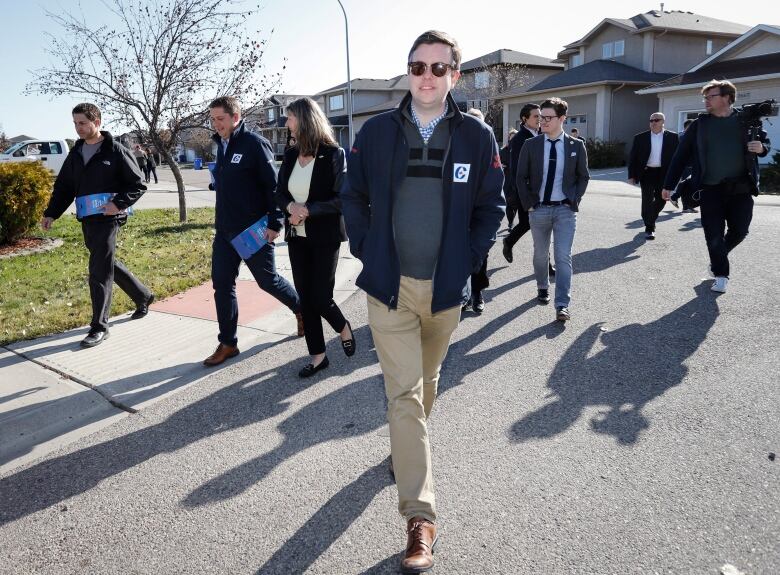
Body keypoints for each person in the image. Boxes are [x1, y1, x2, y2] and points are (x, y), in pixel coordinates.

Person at [342, 30, 504, 573]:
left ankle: (405, 449)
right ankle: (421, 515)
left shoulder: (478, 137)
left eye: (439, 68)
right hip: (389, 288)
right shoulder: (376, 132)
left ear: (455, 75)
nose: (427, 76)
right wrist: (365, 246)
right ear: (406, 72)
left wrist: (468, 259)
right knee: (405, 395)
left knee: (428, 383)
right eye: (417, 66)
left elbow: (491, 206)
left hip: (445, 290)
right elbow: (354, 194)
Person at [41, 103, 154, 348]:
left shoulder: (115, 150)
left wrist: (118, 204)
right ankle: (142, 295)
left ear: (97, 122)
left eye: (82, 123)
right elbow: (64, 188)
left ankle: (99, 326)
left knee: (99, 270)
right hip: (88, 219)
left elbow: (137, 184)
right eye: (75, 123)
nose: (78, 128)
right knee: (105, 261)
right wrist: (51, 214)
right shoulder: (76, 152)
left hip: (109, 217)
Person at [204, 96, 302, 366]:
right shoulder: (220, 145)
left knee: (267, 280)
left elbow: (274, 188)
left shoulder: (255, 144)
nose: (216, 124)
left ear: (236, 117)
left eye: (220, 119)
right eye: (212, 119)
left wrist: (275, 223)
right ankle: (228, 343)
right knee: (222, 284)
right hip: (224, 230)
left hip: (252, 230)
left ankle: (301, 309)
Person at [662, 79, 770, 293]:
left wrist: (762, 148)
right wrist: (669, 184)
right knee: (713, 234)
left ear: (727, 98)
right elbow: (680, 156)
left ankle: (717, 258)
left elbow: (764, 143)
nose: (706, 101)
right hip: (710, 189)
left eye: (711, 96)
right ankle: (721, 274)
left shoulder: (746, 120)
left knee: (740, 230)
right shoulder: (700, 125)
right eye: (705, 97)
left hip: (741, 188)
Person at [274, 97, 355, 378]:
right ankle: (318, 357)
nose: (286, 123)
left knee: (320, 296)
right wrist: (290, 208)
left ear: (305, 120)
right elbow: (279, 193)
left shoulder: (334, 154)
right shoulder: (291, 154)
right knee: (306, 299)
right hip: (297, 237)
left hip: (324, 236)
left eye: (290, 118)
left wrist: (307, 210)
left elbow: (342, 198)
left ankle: (343, 327)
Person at [516, 97, 589, 322]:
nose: (542, 122)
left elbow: (583, 177)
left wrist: (573, 199)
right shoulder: (531, 145)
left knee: (563, 257)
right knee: (540, 255)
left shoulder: (577, 146)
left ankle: (562, 305)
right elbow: (520, 177)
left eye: (548, 118)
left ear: (562, 119)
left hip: (564, 211)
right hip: (538, 211)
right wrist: (530, 204)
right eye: (541, 117)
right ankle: (542, 286)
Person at [503, 103, 555, 277]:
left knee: (542, 228)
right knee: (530, 225)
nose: (540, 119)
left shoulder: (543, 135)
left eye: (541, 116)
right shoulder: (519, 139)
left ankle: (545, 265)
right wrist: (525, 195)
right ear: (524, 119)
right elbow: (518, 170)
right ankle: (509, 242)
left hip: (544, 191)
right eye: (536, 116)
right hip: (526, 192)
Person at [628, 112, 679, 239]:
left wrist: (677, 175)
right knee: (647, 200)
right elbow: (632, 157)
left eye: (656, 120)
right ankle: (649, 227)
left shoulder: (673, 137)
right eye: (651, 120)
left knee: (662, 199)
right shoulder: (640, 137)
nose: (653, 122)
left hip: (664, 173)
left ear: (663, 122)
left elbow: (678, 158)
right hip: (647, 172)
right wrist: (631, 175)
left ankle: (650, 217)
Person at [463, 107, 490, 314]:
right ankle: (462, 294)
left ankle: (477, 293)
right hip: (458, 212)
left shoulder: (487, 149)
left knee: (480, 253)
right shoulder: (455, 147)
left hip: (480, 211)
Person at [669, 119, 697, 212]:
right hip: (686, 164)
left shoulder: (685, 135)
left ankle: (686, 205)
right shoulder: (682, 136)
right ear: (687, 127)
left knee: (687, 183)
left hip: (690, 163)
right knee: (686, 183)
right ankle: (675, 197)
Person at [500, 128, 518, 230]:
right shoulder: (503, 151)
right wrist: (501, 165)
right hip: (507, 180)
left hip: (518, 181)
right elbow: (496, 163)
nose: (513, 139)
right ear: (509, 138)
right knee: (508, 203)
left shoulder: (522, 149)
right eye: (512, 137)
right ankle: (510, 222)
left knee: (515, 203)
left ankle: (512, 220)